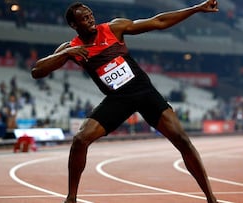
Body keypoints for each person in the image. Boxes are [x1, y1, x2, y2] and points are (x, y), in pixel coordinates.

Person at [31, 1, 219, 202]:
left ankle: (210, 198)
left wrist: (197, 8)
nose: (90, 19)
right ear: (74, 25)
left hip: (144, 92)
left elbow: (159, 22)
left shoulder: (114, 28)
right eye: (84, 18)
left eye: (90, 15)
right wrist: (66, 53)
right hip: (118, 100)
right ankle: (71, 198)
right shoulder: (72, 48)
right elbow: (37, 71)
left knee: (182, 140)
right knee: (80, 140)